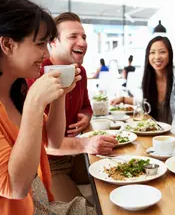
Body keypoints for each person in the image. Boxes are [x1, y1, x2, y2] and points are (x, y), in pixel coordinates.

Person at [0, 0, 97, 214]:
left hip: (33, 200)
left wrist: (60, 95)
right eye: (40, 44)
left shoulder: (16, 90)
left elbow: (52, 141)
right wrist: (35, 104)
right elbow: (14, 187)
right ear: (7, 44)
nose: (46, 52)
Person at [26, 12, 117, 203]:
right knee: (82, 208)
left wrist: (85, 116)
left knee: (120, 175)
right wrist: (85, 144)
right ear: (53, 42)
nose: (82, 42)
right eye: (73, 37)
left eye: (83, 36)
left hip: (76, 155)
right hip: (50, 163)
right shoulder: (34, 73)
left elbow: (86, 106)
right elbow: (43, 142)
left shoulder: (80, 71)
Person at [111, 36, 175, 135]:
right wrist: (123, 99)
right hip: (154, 133)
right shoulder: (148, 79)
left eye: (162, 52)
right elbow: (146, 103)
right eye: (152, 52)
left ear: (170, 55)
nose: (157, 57)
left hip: (173, 139)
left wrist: (171, 140)